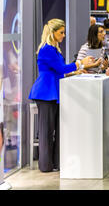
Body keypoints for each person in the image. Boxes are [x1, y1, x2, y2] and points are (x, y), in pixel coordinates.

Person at [28, 19, 96, 172]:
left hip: (54, 92)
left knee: (57, 129)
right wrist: (80, 63)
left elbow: (59, 70)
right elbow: (60, 68)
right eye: (61, 33)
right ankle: (45, 165)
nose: (64, 35)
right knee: (46, 131)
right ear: (53, 33)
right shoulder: (47, 49)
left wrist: (75, 70)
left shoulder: (54, 48)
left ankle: (56, 163)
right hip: (46, 93)